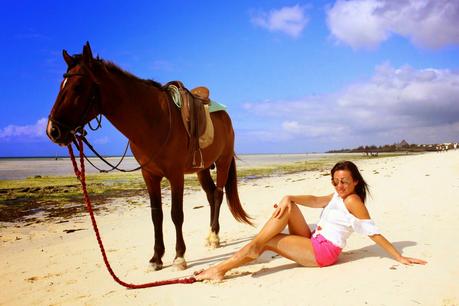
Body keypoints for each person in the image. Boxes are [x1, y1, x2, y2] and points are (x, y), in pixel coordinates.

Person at [195, 160, 427, 281]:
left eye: (344, 181)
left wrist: (399, 256)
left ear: (356, 181)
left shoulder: (353, 201)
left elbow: (372, 232)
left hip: (322, 253)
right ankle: (249, 249)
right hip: (314, 239)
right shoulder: (339, 195)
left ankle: (221, 268)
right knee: (289, 206)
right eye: (335, 181)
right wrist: (289, 196)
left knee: (266, 241)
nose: (339, 186)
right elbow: (316, 200)